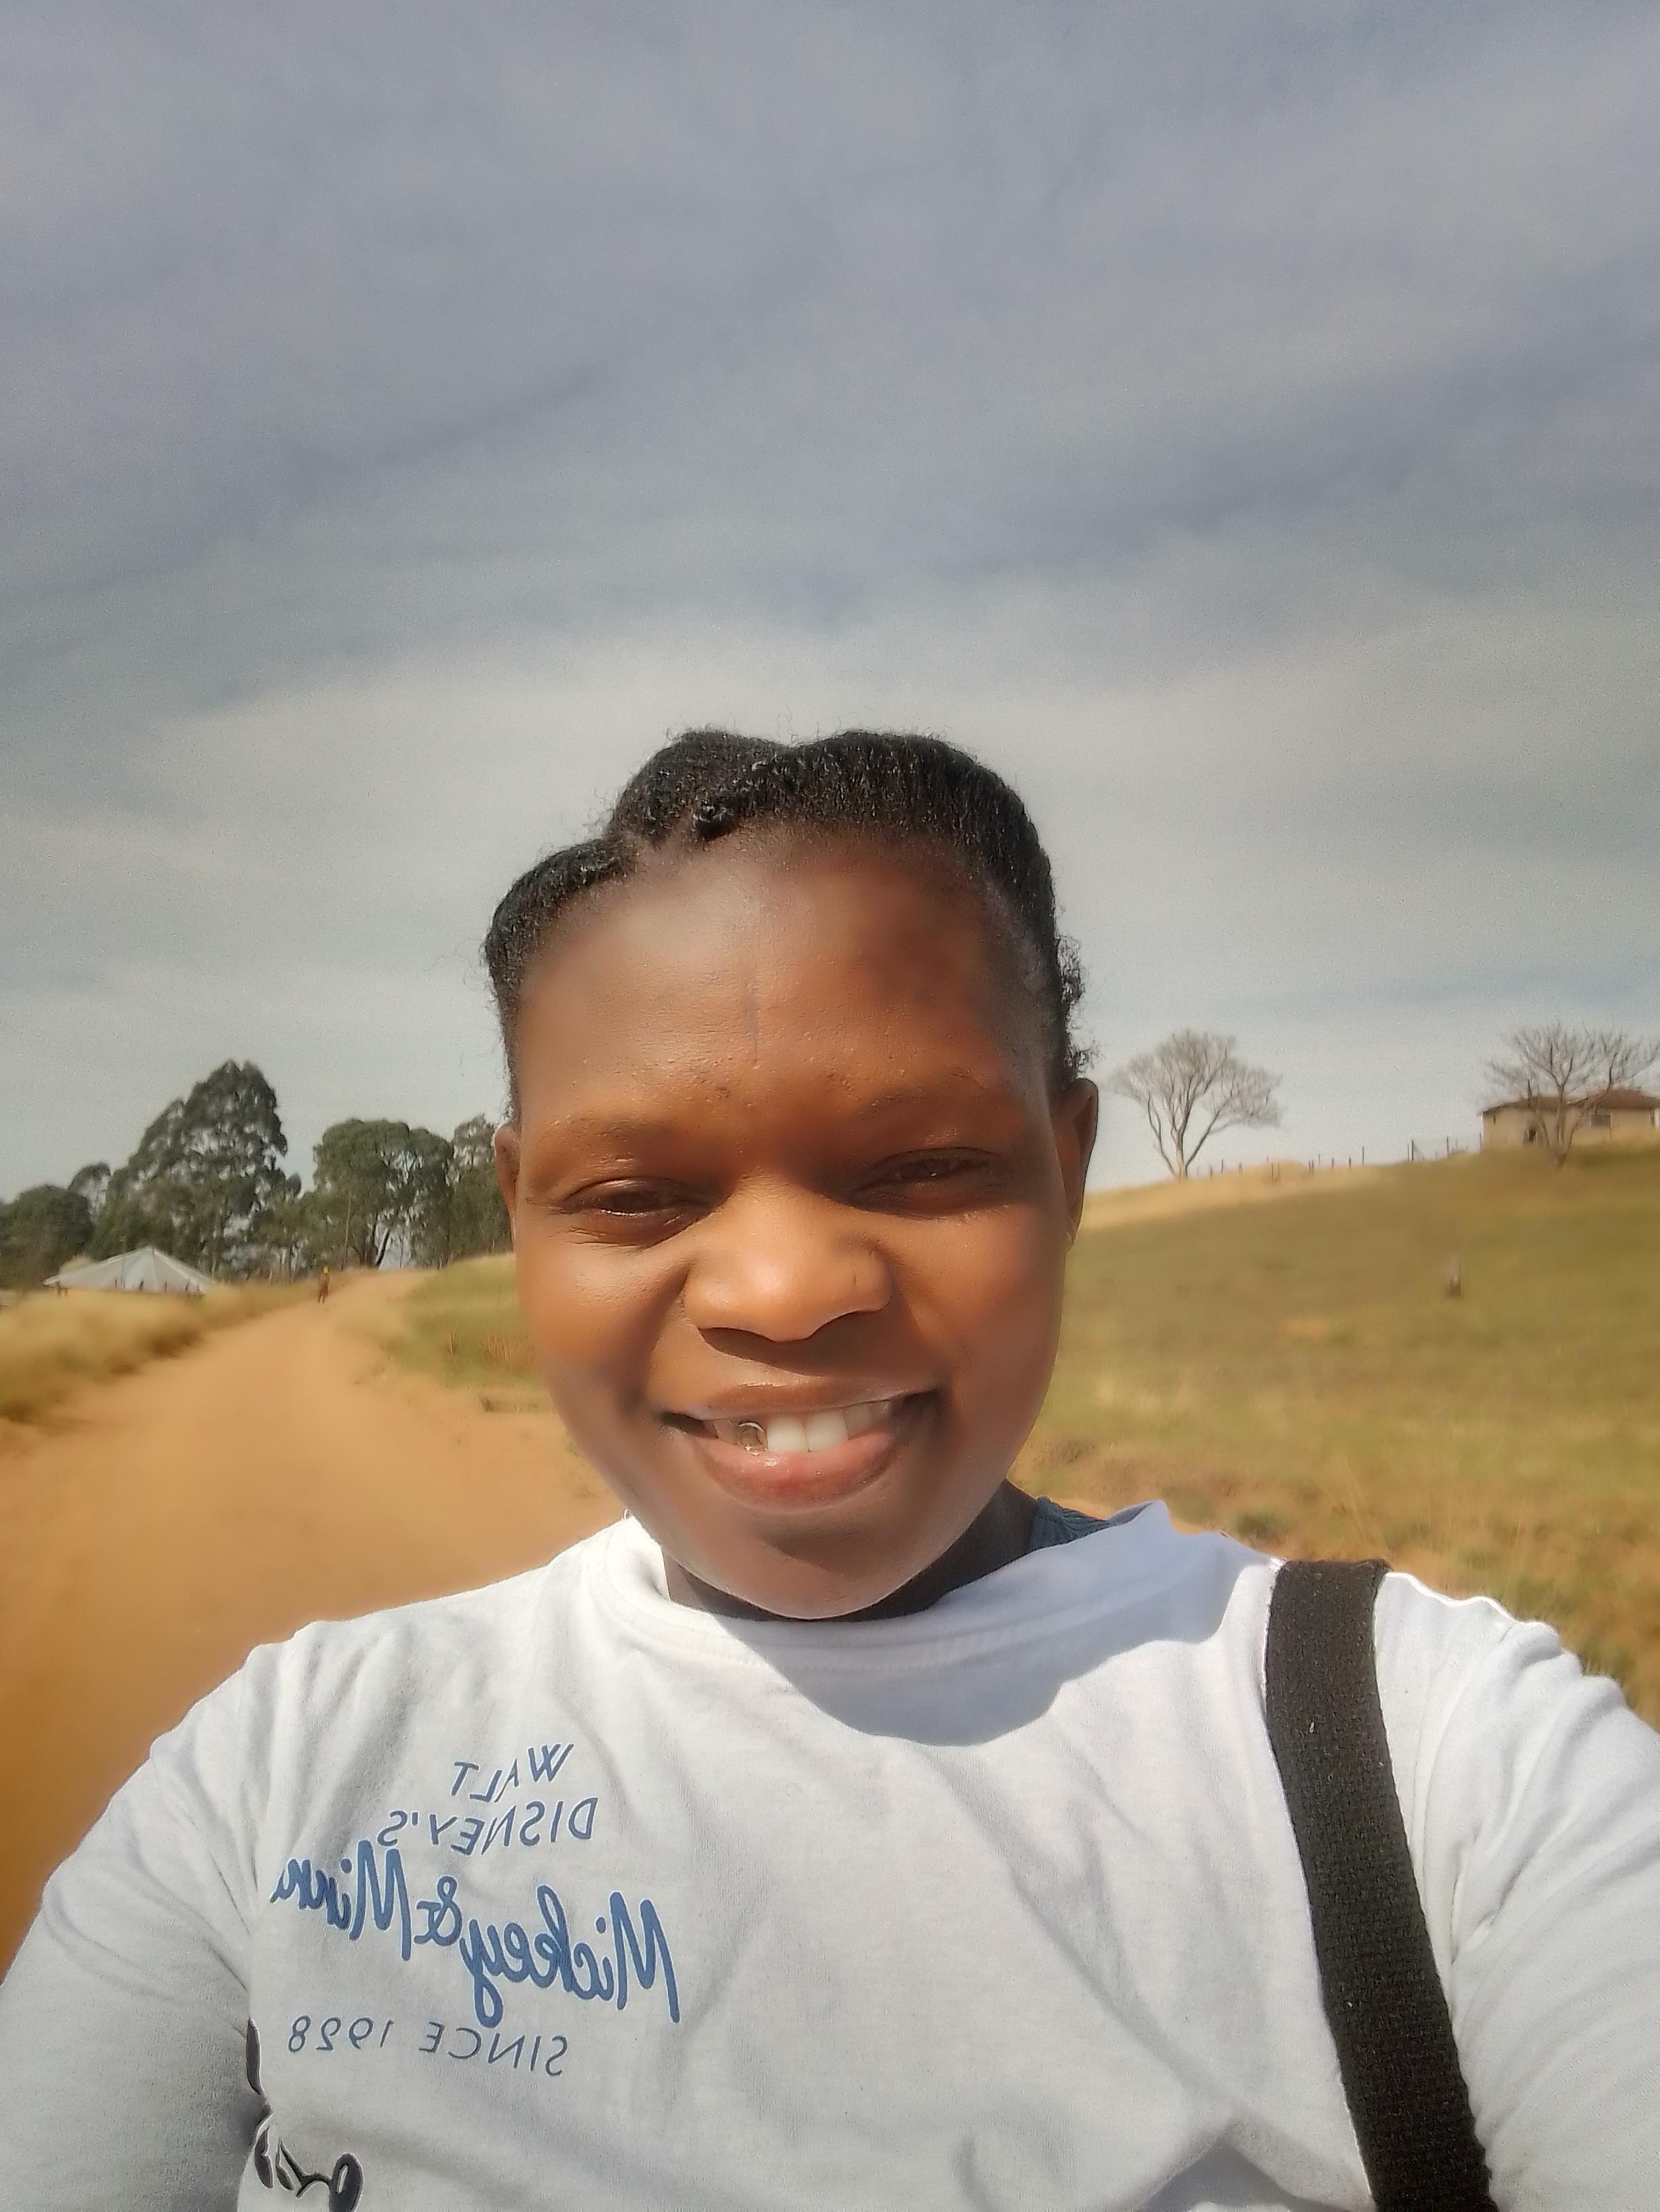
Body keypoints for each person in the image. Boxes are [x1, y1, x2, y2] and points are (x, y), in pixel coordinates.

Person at [1, 730, 1658, 2210]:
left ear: (1067, 1167)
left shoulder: (1432, 1763)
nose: (785, 1294)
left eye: (922, 1166)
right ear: (519, 1212)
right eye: (636, 1197)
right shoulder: (276, 1782)